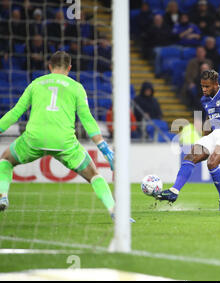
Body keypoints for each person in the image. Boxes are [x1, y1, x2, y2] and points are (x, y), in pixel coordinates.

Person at [0, 51, 134, 222]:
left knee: (6, 160)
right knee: (94, 175)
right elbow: (87, 120)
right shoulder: (76, 87)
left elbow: (15, 113)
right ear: (69, 68)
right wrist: (104, 148)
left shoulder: (36, 83)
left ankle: (3, 195)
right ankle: (115, 211)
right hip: (64, 142)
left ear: (49, 66)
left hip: (34, 139)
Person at [155, 70, 220, 211]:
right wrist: (204, 138)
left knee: (212, 162)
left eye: (207, 86)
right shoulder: (204, 100)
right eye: (202, 86)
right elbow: (210, 118)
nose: (204, 89)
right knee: (190, 156)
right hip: (214, 134)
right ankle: (174, 191)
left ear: (215, 84)